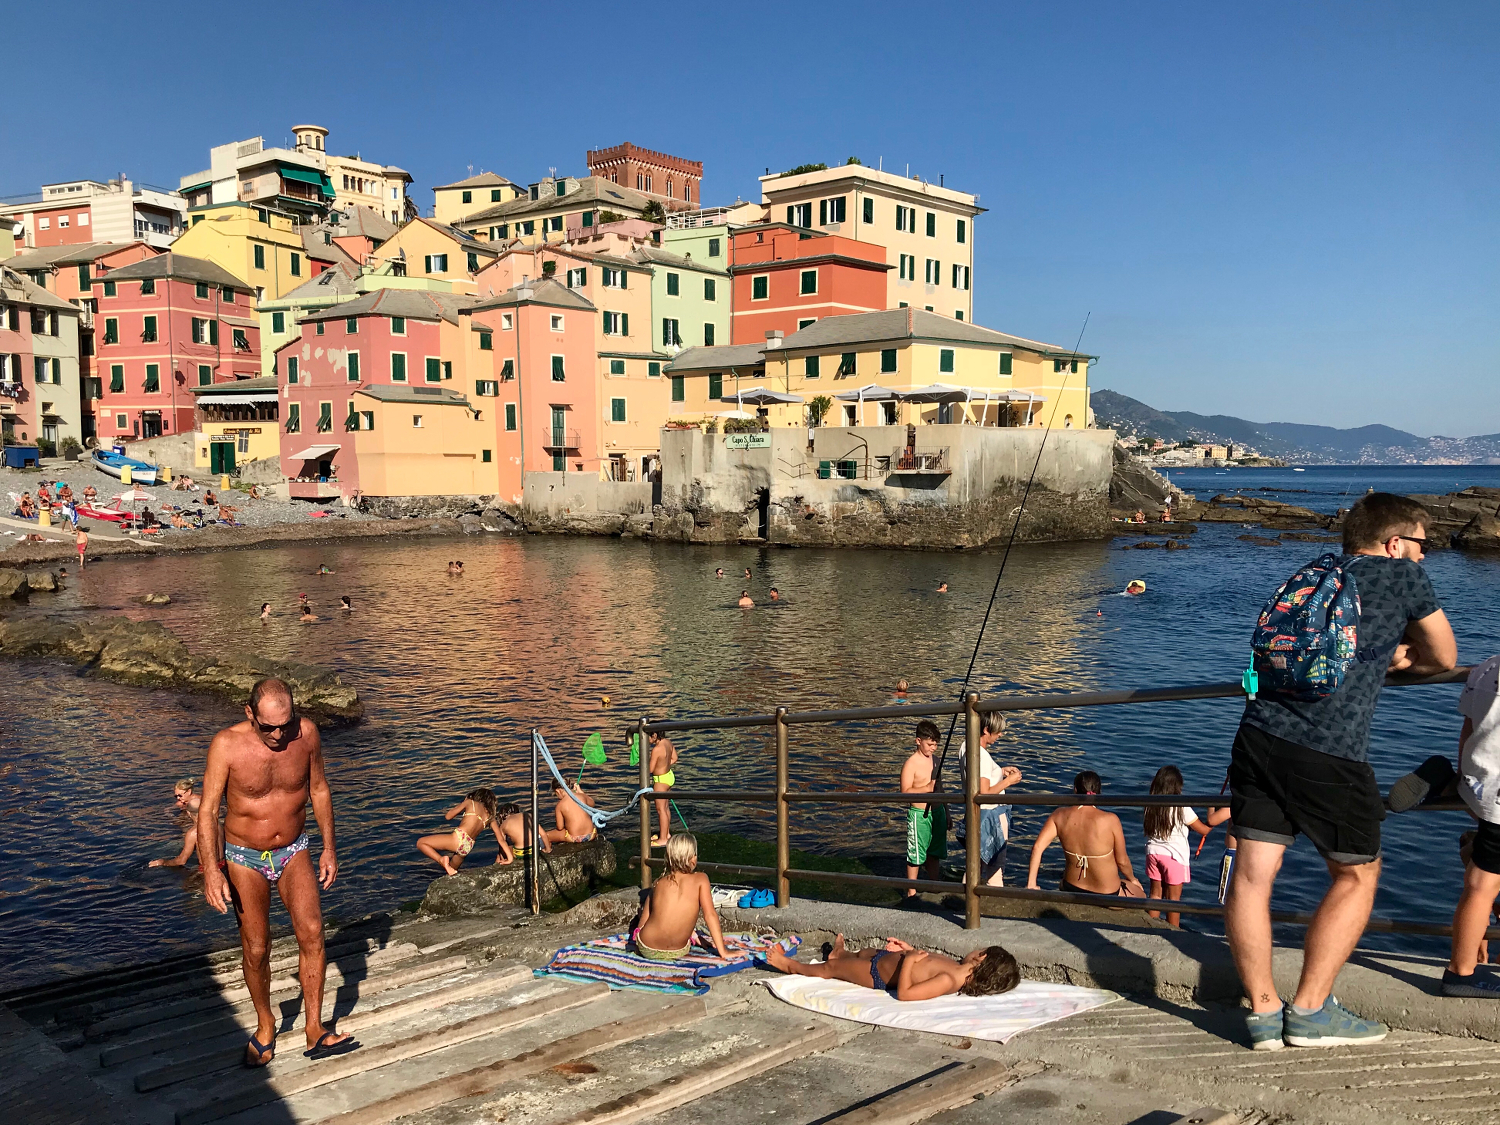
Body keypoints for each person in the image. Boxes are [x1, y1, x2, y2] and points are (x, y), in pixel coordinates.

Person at [1226, 492, 1455, 1050]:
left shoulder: (1316, 572)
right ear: (1395, 543)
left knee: (1253, 877)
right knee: (1357, 875)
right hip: (1328, 748)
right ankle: (1310, 1012)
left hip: (1257, 735)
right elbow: (1445, 657)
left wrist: (1380, 655)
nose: (1425, 554)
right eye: (1422, 543)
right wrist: (1404, 658)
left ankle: (1262, 1013)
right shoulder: (1402, 576)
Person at [198, 678, 358, 1066]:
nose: (277, 735)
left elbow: (319, 789)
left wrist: (329, 848)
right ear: (249, 713)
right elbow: (208, 810)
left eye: (284, 725)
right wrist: (210, 871)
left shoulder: (307, 734)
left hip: (294, 849)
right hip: (244, 856)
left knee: (313, 932)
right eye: (268, 727)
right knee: (256, 946)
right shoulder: (226, 745)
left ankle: (315, 1028)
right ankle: (266, 1023)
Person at [766, 934, 1020, 1000]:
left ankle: (790, 965)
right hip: (884, 961)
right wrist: (908, 950)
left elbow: (906, 994)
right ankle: (841, 953)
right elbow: (927, 963)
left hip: (877, 975)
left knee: (831, 969)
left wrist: (908, 960)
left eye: (980, 949)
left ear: (982, 958)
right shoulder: (956, 967)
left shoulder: (950, 981)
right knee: (864, 952)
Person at [1026, 771, 1144, 897]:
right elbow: (1122, 861)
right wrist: (1133, 879)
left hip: (1070, 887)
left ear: (1075, 790)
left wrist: (1031, 884)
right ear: (1099, 792)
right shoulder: (1111, 820)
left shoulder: (1059, 815)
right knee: (1141, 894)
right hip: (1107, 893)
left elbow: (1037, 848)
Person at [1142, 765, 1221, 926]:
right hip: (1174, 857)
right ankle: (1173, 931)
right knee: (1173, 900)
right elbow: (1204, 830)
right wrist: (1212, 810)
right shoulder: (1181, 806)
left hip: (1153, 852)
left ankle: (1150, 927)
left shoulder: (1150, 804)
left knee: (1155, 894)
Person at [633, 833, 730, 961]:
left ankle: (639, 939)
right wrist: (723, 951)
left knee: (648, 910)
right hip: (677, 950)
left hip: (647, 947)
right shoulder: (701, 879)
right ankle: (692, 935)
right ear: (693, 859)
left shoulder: (658, 883)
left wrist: (638, 944)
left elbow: (644, 921)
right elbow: (710, 915)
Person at [955, 713, 1023, 886]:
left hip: (975, 814)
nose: (1000, 734)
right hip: (991, 816)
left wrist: (1000, 771)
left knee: (974, 865)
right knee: (995, 867)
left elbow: (977, 778)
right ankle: (995, 899)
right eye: (998, 731)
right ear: (986, 730)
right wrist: (1009, 781)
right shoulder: (982, 755)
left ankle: (965, 897)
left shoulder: (966, 746)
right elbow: (984, 793)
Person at [416, 788, 511, 875]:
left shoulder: (470, 803)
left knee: (421, 843)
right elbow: (501, 840)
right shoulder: (490, 817)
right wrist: (509, 858)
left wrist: (463, 805)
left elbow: (448, 816)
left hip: (459, 838)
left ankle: (441, 860)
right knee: (451, 872)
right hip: (468, 846)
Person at [902, 720, 946, 895]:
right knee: (916, 854)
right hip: (920, 814)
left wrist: (947, 812)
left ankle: (934, 885)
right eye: (930, 744)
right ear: (918, 741)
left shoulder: (936, 761)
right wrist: (926, 788)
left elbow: (941, 789)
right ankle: (911, 890)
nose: (933, 748)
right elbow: (905, 791)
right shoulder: (911, 763)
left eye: (936, 744)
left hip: (938, 811)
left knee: (934, 852)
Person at [149, 779, 203, 868]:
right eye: (176, 796)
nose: (178, 798)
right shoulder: (217, 825)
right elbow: (168, 810)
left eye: (180, 795)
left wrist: (162, 862)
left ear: (189, 791)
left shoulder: (193, 833)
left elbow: (181, 861)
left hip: (206, 869)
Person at [543, 780, 598, 844]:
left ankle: (548, 849)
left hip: (574, 838)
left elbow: (560, 827)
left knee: (546, 836)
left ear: (558, 791)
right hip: (591, 834)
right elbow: (592, 804)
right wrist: (580, 792)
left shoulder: (560, 805)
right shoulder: (581, 796)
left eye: (556, 794)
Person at [648, 730, 678, 846]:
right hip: (669, 776)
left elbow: (650, 769)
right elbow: (675, 758)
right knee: (665, 807)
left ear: (654, 735)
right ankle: (666, 834)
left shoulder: (656, 749)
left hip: (660, 780)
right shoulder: (668, 742)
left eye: (648, 736)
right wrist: (664, 765)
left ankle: (663, 839)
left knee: (661, 810)